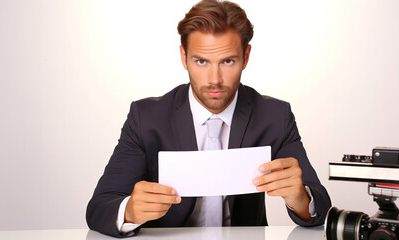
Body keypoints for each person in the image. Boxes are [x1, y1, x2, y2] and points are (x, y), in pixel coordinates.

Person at [86, 0, 331, 238]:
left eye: (228, 61)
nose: (214, 79)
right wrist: (128, 211)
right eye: (201, 61)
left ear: (246, 56)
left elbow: (320, 208)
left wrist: (300, 198)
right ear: (184, 57)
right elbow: (99, 208)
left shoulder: (275, 116)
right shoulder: (146, 118)